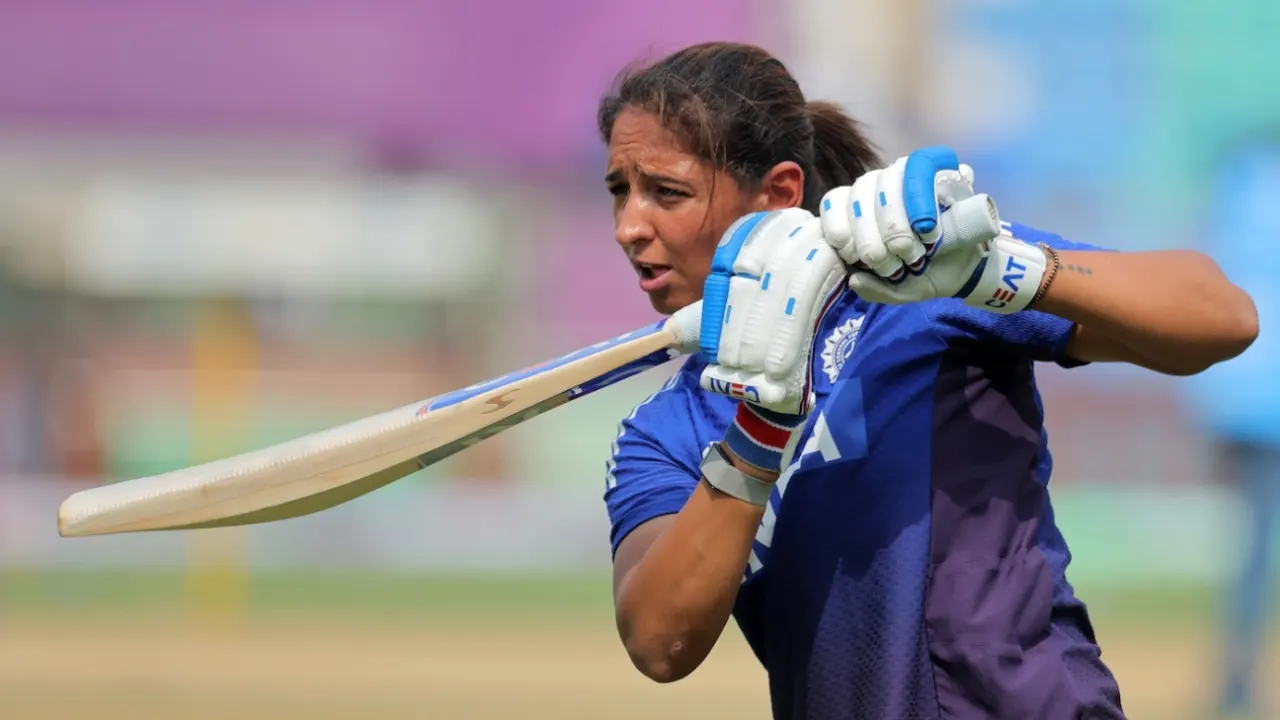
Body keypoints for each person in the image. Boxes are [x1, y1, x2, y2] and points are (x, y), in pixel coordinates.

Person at [597, 42, 1259, 720]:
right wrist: (759, 428)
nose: (629, 226)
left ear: (779, 194)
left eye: (666, 192)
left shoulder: (926, 281)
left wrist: (1000, 272)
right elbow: (660, 643)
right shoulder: (663, 432)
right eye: (620, 190)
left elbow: (1223, 319)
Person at [1181, 137, 1280, 719]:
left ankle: (1235, 683)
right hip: (1262, 398)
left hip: (1240, 395)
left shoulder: (1240, 186)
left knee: (1255, 545)